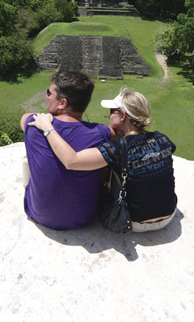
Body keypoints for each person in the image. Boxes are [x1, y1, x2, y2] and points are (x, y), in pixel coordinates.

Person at [29, 88, 178, 232]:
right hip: (168, 216)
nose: (108, 116)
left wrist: (47, 127)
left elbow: (72, 161)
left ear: (122, 116)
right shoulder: (162, 138)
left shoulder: (117, 148)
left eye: (111, 111)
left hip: (133, 221)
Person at [20, 71, 113, 230]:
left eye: (49, 93)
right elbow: (118, 133)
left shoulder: (34, 126)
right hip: (84, 217)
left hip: (40, 215)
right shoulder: (101, 133)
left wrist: (43, 119)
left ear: (62, 103)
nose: (46, 96)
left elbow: (24, 118)